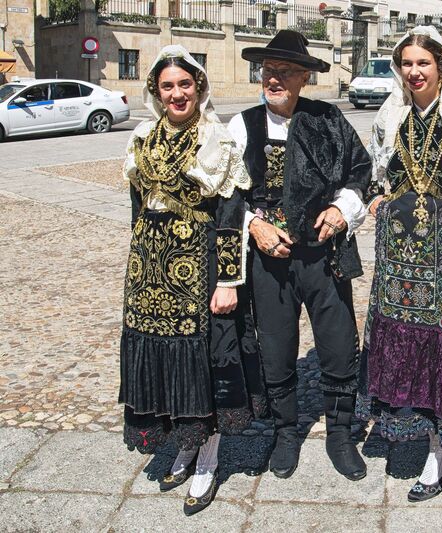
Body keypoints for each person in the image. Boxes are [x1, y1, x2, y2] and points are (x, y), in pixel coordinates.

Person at [120, 45, 263, 515]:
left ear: (199, 87)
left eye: (185, 84)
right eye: (168, 87)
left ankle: (208, 457)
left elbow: (230, 215)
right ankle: (184, 441)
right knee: (165, 366)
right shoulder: (143, 137)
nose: (177, 94)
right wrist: (138, 263)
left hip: (198, 267)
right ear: (156, 93)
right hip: (149, 271)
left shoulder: (216, 141)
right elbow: (138, 208)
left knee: (204, 362)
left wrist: (227, 281)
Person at [357, 26, 442, 502]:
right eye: (407, 64)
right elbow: (381, 172)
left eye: (423, 63)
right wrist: (378, 199)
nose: (414, 72)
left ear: (441, 67)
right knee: (402, 336)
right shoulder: (391, 114)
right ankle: (416, 432)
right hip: (398, 251)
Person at [227, 30, 371, 482]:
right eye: (269, 70)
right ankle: (285, 431)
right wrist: (255, 224)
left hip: (322, 257)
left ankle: (340, 433)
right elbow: (228, 193)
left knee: (338, 342)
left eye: (285, 71)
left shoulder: (328, 120)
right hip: (270, 260)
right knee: (275, 346)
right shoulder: (242, 126)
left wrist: (340, 209)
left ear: (304, 78)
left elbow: (360, 173)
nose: (274, 78)